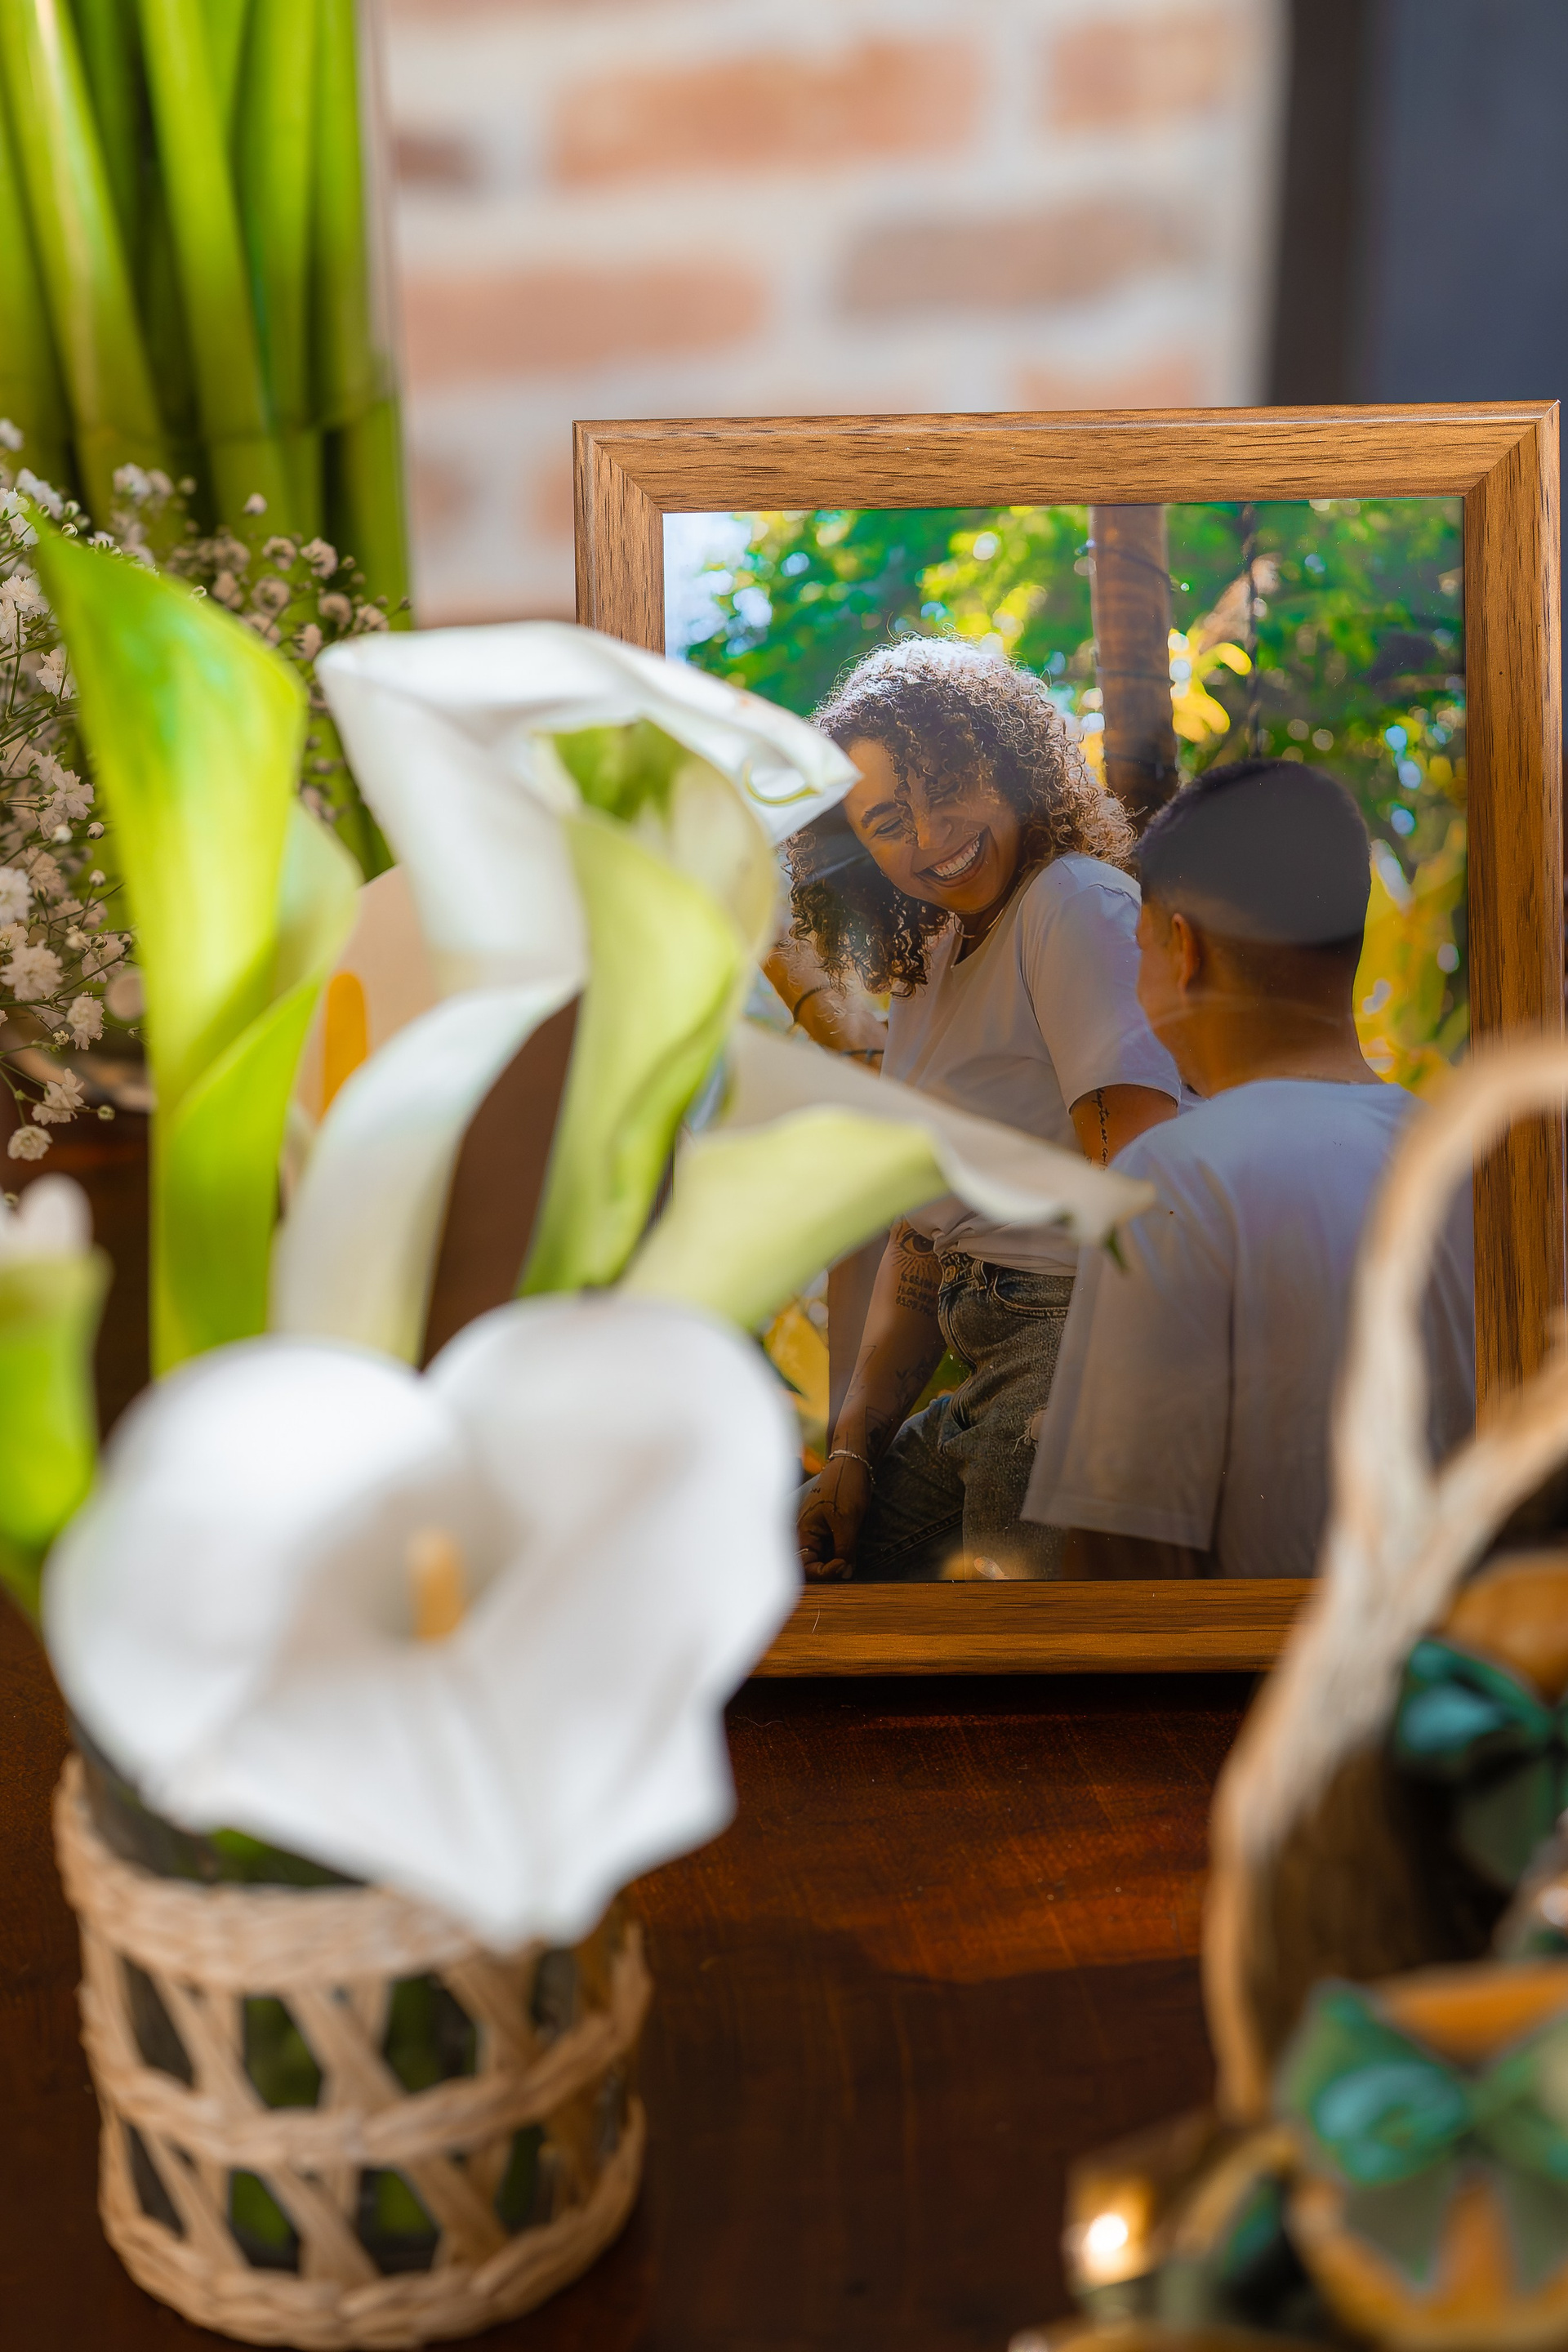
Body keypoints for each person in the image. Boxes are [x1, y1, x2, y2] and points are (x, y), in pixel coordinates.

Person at [788, 639, 1183, 1582]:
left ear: (1005, 762)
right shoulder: (931, 964)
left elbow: (1145, 1191)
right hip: (990, 1362)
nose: (930, 837)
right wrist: (851, 1453)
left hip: (1071, 1348)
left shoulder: (1070, 903)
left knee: (1014, 1654)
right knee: (813, 1578)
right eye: (889, 821)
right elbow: (924, 1237)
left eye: (945, 785)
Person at [1024, 756, 1475, 1580]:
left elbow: (1120, 1570)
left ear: (1184, 949)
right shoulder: (1472, 1157)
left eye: (1141, 948)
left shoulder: (1174, 1178)